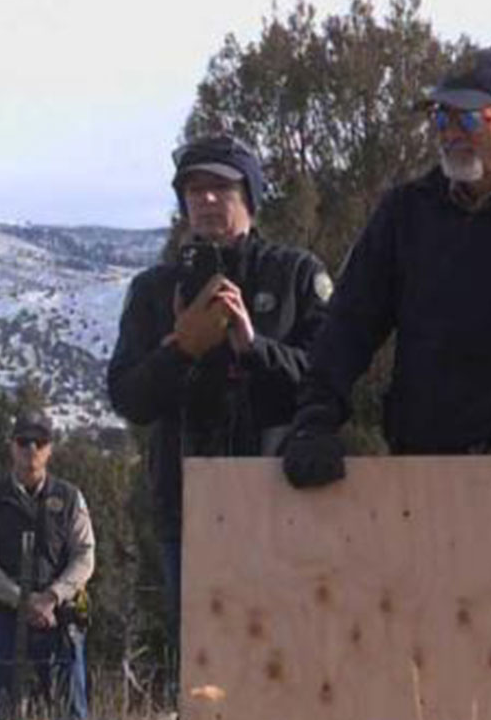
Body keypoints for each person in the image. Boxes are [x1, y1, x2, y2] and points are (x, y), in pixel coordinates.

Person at [284, 47, 491, 486]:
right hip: (421, 477)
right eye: (440, 119)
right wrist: (315, 418)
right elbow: (347, 325)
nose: (450, 134)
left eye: (468, 119)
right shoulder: (406, 215)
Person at [107, 133, 331, 633]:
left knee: (283, 654)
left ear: (249, 195)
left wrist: (254, 347)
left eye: (221, 188)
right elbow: (127, 397)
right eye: (193, 189)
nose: (206, 200)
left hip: (280, 500)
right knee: (204, 668)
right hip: (186, 507)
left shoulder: (295, 275)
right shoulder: (154, 289)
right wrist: (179, 349)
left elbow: (329, 381)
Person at [0, 414, 98, 720]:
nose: (30, 449)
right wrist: (21, 599)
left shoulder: (70, 498)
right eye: (23, 441)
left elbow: (84, 555)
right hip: (4, 617)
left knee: (71, 711)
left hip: (58, 619)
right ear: (10, 446)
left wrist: (53, 597)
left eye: (39, 442)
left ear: (50, 449)